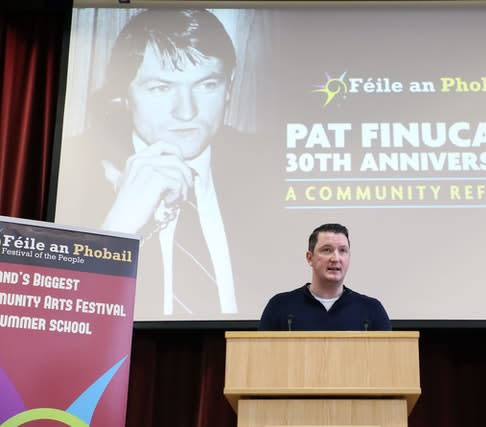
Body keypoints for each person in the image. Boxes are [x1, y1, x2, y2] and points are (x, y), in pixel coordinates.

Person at [58, 9, 254, 319]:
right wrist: (117, 227)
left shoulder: (269, 166)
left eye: (206, 85)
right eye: (161, 88)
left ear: (228, 87)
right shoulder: (66, 173)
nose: (186, 111)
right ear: (123, 94)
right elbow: (51, 328)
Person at [258, 223, 392, 331]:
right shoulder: (280, 306)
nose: (336, 258)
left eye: (343, 251)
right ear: (310, 258)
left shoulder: (371, 309)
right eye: (327, 250)